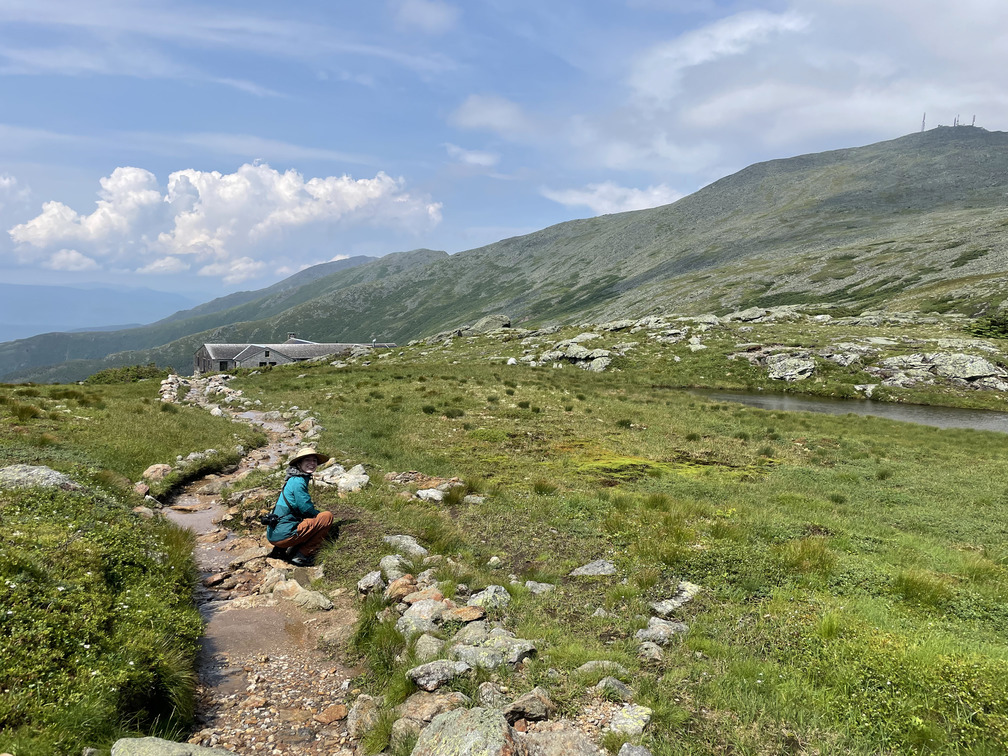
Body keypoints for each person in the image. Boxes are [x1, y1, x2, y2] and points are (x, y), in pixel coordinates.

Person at [267, 446, 333, 567]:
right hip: (282, 537)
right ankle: (302, 555)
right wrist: (318, 516)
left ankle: (280, 550)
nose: (312, 463)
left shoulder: (293, 479)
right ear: (299, 463)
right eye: (307, 460)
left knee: (302, 519)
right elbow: (306, 509)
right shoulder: (298, 482)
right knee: (326, 517)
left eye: (314, 461)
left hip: (274, 535)